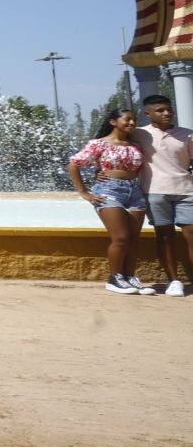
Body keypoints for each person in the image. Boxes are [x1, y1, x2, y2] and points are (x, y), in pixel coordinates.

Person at [67, 108, 155, 294]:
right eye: (127, 119)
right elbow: (74, 165)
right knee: (121, 238)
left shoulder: (135, 145)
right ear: (113, 122)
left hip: (134, 191)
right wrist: (84, 192)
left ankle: (130, 277)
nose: (132, 123)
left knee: (133, 239)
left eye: (134, 120)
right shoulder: (99, 144)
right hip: (109, 190)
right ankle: (115, 278)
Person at [136, 93, 192, 296]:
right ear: (148, 113)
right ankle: (174, 281)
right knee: (164, 236)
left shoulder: (187, 134)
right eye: (160, 110)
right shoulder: (139, 134)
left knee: (191, 234)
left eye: (169, 109)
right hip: (155, 192)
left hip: (187, 191)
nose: (167, 113)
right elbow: (112, 145)